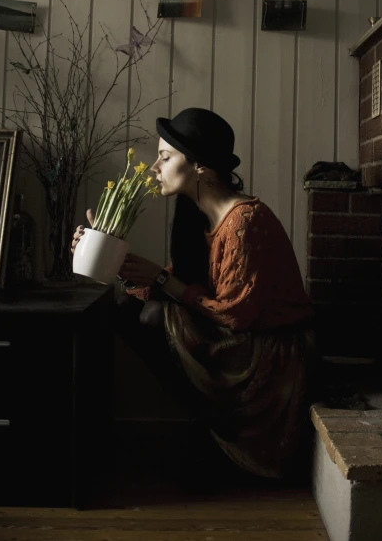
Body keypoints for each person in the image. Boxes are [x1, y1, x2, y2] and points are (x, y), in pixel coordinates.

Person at [72, 107, 316, 480]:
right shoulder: (198, 218)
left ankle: (221, 433)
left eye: (166, 157)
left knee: (153, 316)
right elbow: (183, 282)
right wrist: (107, 254)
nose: (155, 167)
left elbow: (235, 314)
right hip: (237, 335)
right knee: (125, 308)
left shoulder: (244, 222)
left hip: (268, 346)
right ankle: (213, 429)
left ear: (200, 166)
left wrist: (160, 281)